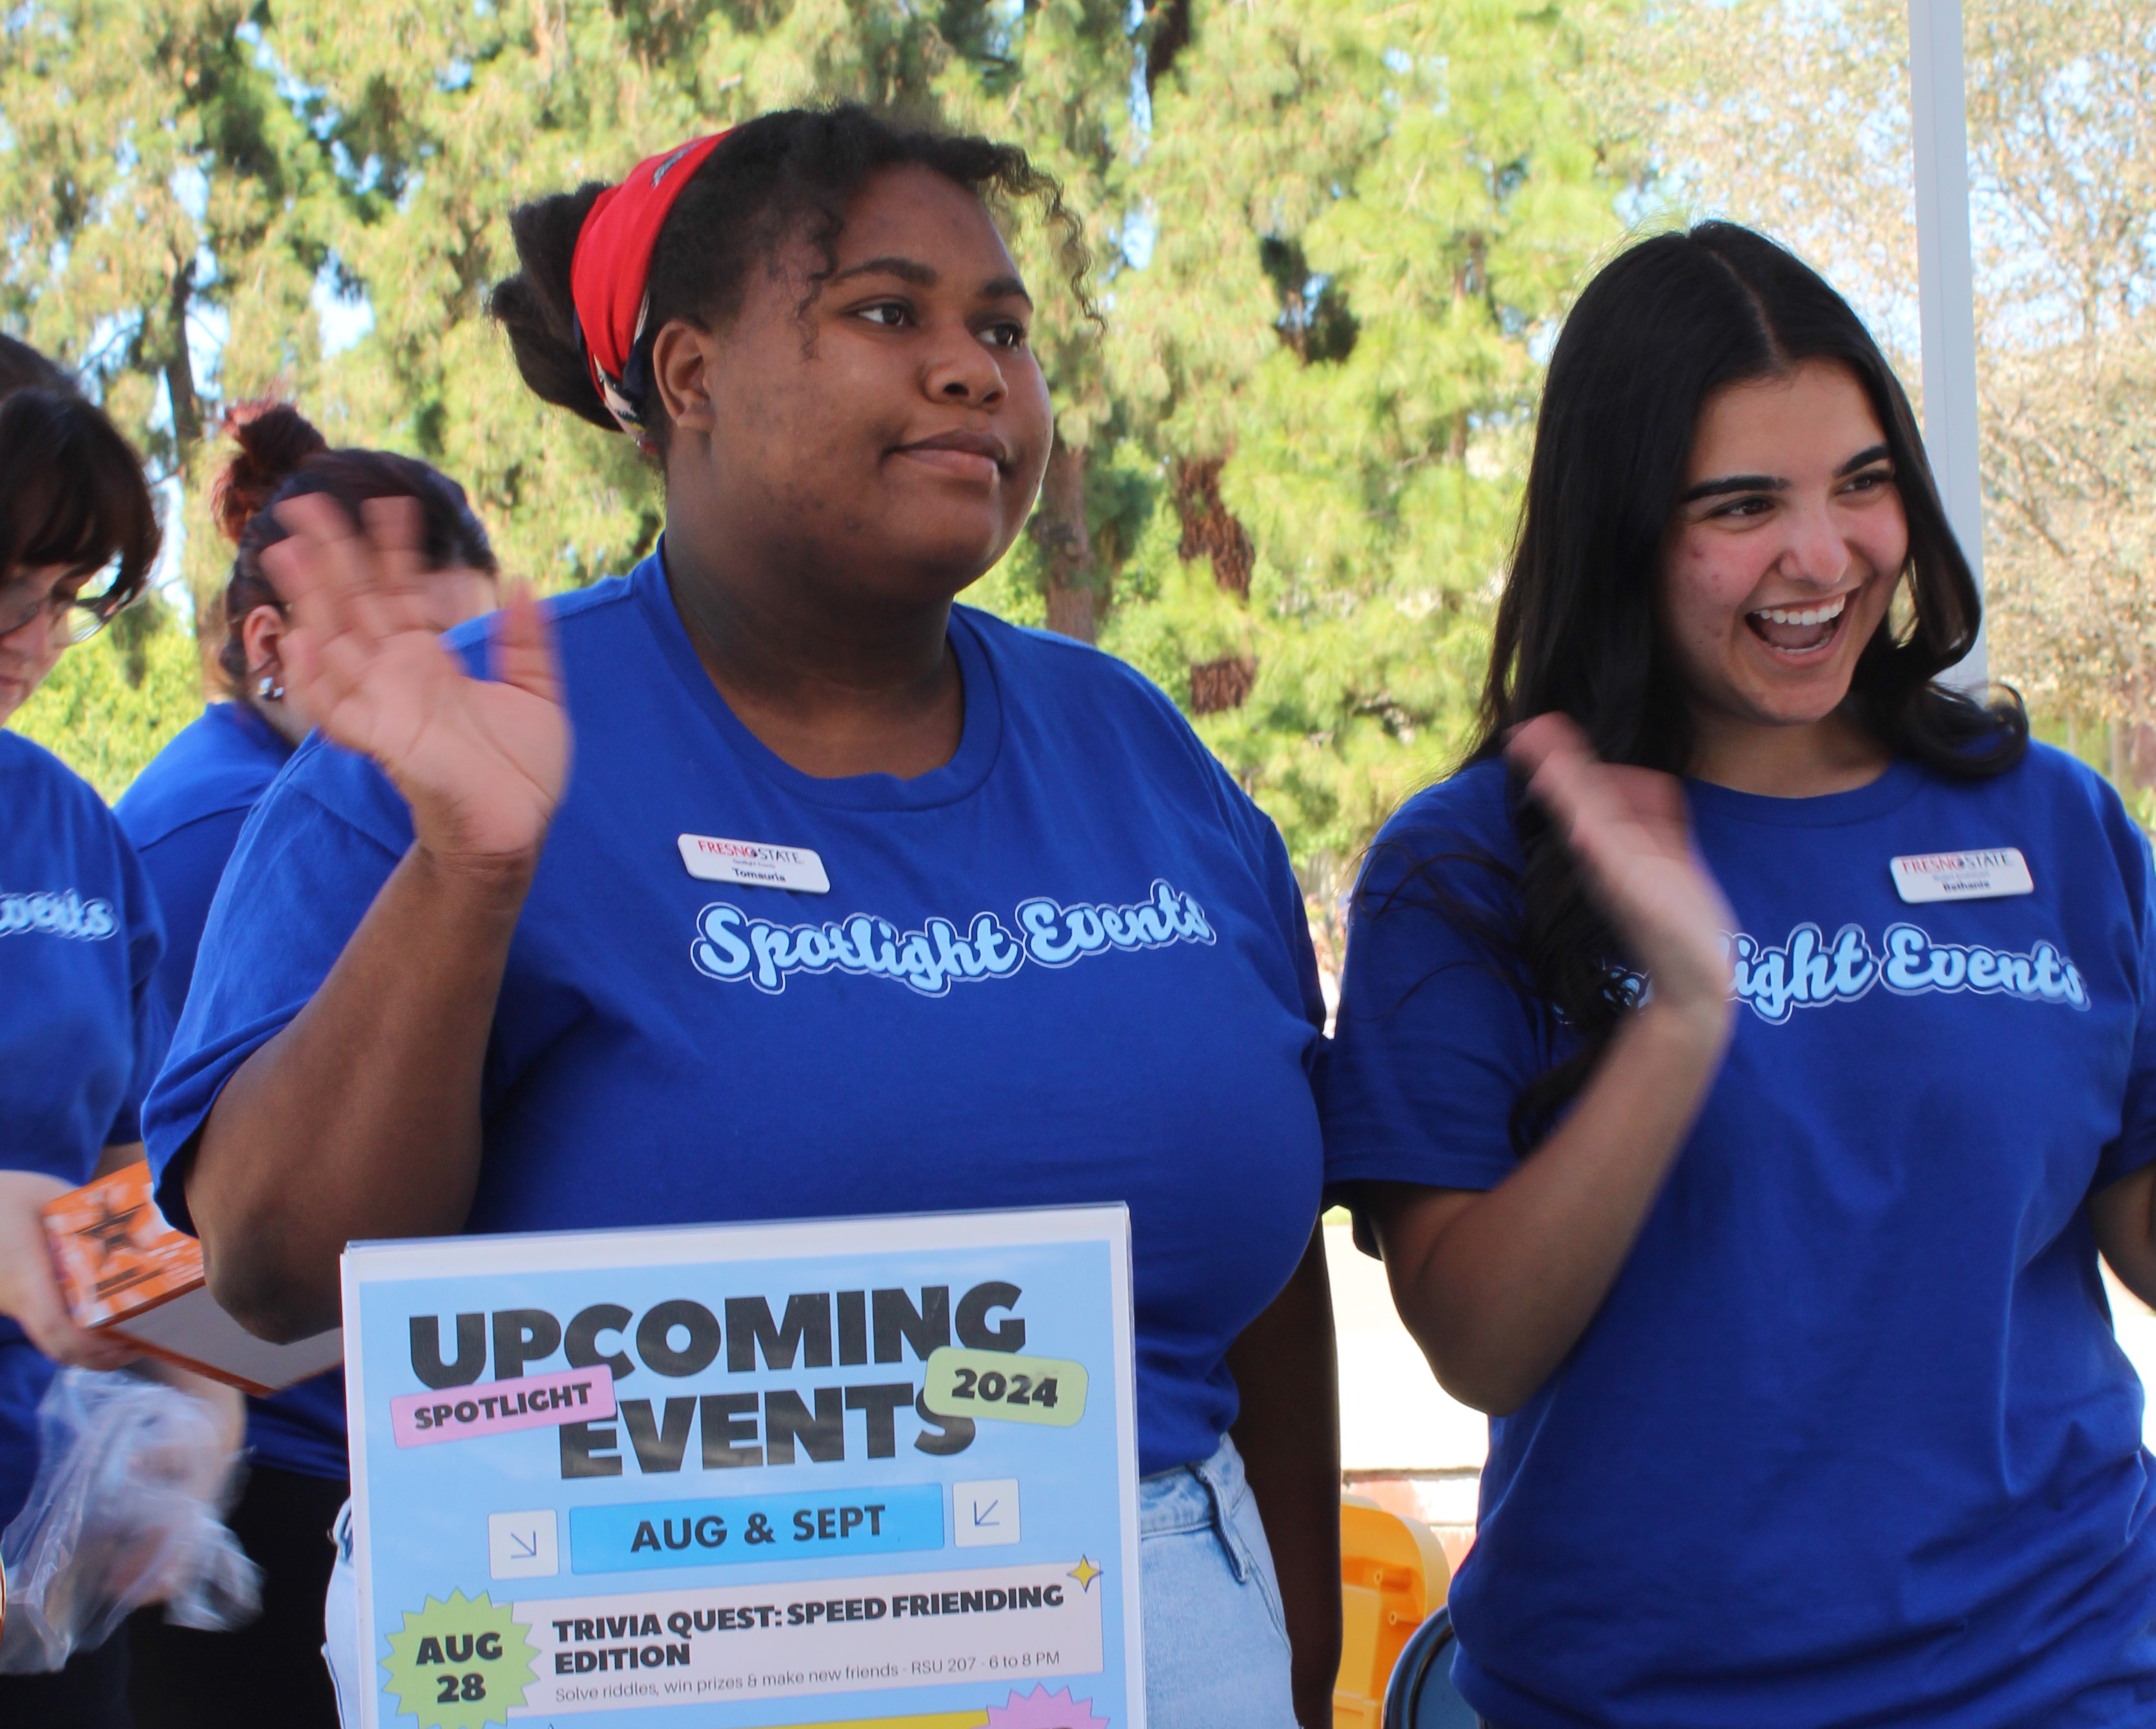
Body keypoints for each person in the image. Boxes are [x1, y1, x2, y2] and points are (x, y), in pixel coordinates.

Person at [142, 105, 1338, 1728]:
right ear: (690, 379)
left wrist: (1296, 1647)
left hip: (1148, 1635)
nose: (975, 370)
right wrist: (469, 875)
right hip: (603, 1634)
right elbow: (276, 1271)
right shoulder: (459, 738)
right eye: (885, 311)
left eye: (1002, 328)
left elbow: (1259, 1270)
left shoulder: (1139, 753)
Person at [1322, 223, 2156, 1729]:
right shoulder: (1469, 866)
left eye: (1862, 484)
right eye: (1740, 505)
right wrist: (1683, 1013)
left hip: (2059, 1686)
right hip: (1630, 1698)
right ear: (1620, 530)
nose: (1823, 553)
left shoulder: (2042, 821)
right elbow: (1479, 1342)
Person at [114, 401, 501, 1729]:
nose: (439, 699)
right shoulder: (242, 827)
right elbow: (110, 1182)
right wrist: (199, 1406)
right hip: (276, 1481)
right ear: (269, 648)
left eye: (470, 654)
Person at [0, 372, 169, 1728]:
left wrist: (191, 1393)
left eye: (66, 592)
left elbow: (122, 1183)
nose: (34, 634)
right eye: (8, 581)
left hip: (42, 1580)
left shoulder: (74, 831)